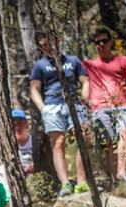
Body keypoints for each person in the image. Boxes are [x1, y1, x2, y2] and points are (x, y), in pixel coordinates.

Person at [30, 35, 90, 195]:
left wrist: (84, 99)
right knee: (58, 143)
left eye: (49, 43)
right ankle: (65, 184)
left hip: (74, 104)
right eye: (43, 45)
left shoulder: (72, 61)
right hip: (52, 106)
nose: (47, 47)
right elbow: (34, 88)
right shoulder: (40, 66)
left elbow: (85, 80)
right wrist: (43, 108)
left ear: (58, 41)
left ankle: (82, 181)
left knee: (83, 138)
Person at [82, 28, 126, 187]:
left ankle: (122, 174)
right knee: (109, 145)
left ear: (111, 41)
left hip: (123, 105)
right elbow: (78, 79)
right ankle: (116, 183)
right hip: (100, 108)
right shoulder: (89, 65)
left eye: (104, 41)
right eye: (97, 42)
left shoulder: (124, 61)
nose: (101, 44)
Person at [11, 109, 34, 174]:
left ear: (26, 123)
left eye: (20, 123)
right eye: (14, 124)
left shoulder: (34, 142)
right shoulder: (10, 144)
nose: (18, 127)